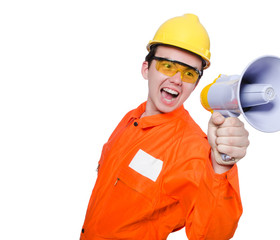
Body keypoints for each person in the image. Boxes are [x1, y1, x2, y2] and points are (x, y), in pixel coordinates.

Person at [80, 14, 249, 240]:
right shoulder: (132, 118)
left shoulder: (193, 148)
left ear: (195, 84)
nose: (177, 79)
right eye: (168, 66)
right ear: (145, 68)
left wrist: (221, 166)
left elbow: (212, 234)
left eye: (189, 73)